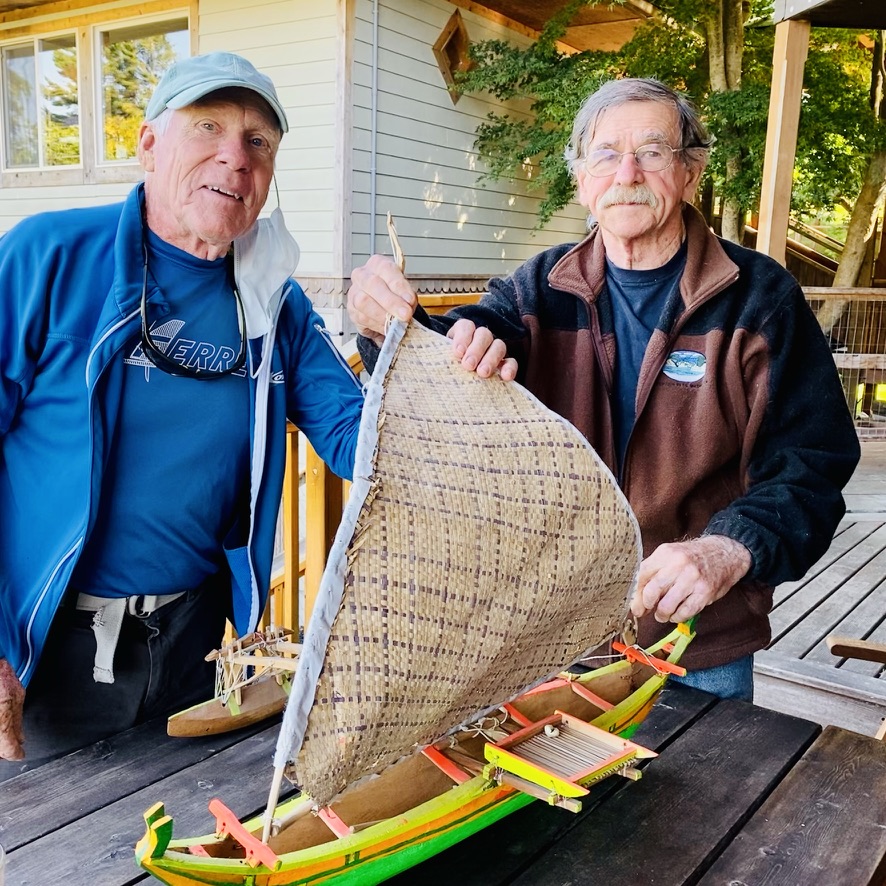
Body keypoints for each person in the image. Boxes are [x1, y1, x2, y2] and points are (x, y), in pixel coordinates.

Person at [347, 77, 861, 702]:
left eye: (652, 151)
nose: (628, 171)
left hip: (697, 638)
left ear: (690, 172)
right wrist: (387, 329)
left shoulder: (761, 299)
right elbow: (451, 352)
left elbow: (810, 463)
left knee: (706, 798)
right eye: (606, 154)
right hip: (550, 640)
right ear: (583, 180)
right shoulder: (538, 288)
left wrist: (728, 549)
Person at [0, 52, 365, 777]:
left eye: (258, 141)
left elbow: (363, 443)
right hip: (48, 651)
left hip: (198, 645)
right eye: (208, 127)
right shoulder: (47, 256)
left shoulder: (274, 304)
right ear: (148, 145)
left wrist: (405, 345)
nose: (235, 156)